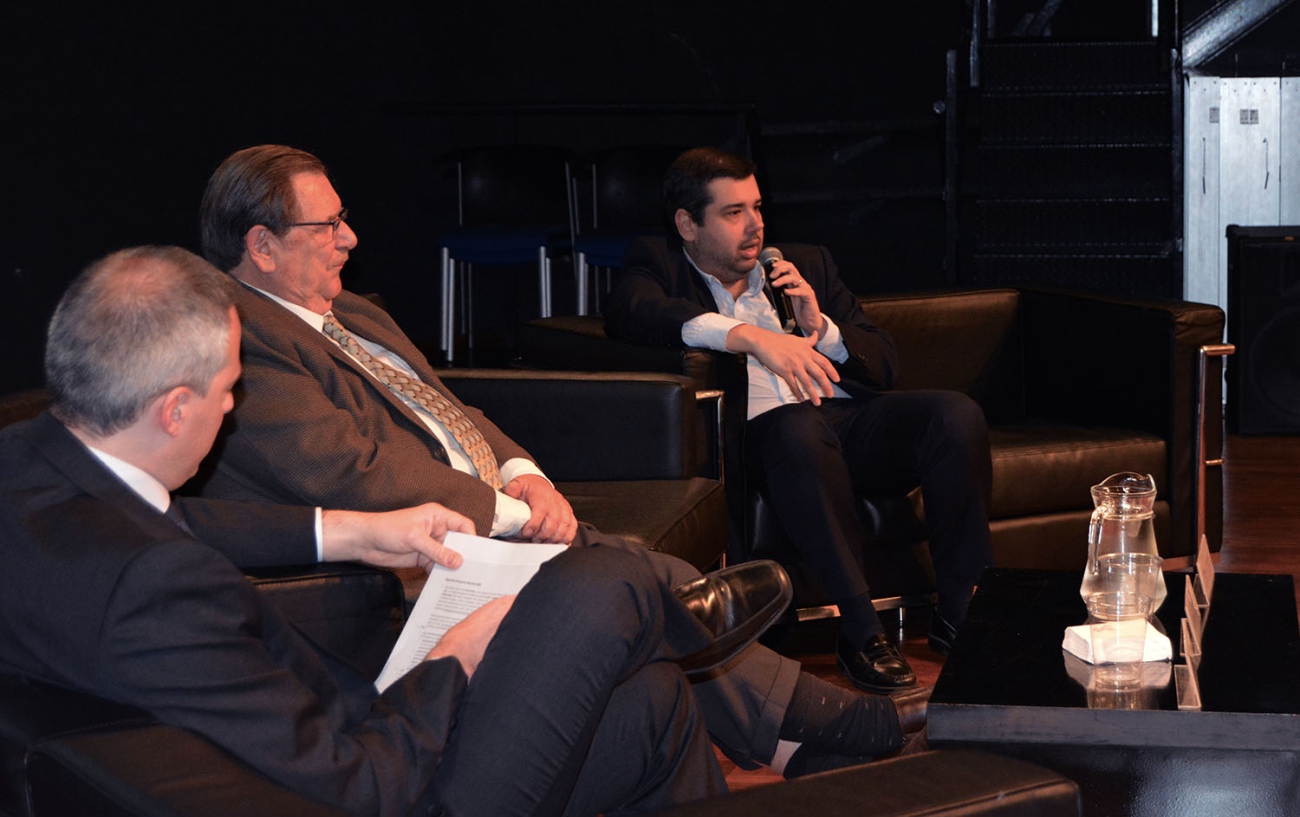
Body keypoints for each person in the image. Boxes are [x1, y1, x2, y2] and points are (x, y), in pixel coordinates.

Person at [192, 144, 928, 777]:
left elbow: (453, 409)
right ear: (262, 245)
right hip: (420, 559)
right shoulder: (243, 336)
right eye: (328, 226)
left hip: (485, 516)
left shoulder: (352, 311)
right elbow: (349, 474)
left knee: (657, 601)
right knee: (653, 585)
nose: (350, 238)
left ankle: (800, 750)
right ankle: (835, 727)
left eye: (343, 218)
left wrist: (526, 474)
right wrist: (510, 513)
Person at [0, 244, 807, 816]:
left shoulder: (32, 468)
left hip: (313, 741)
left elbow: (177, 517)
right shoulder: (156, 589)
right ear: (175, 408)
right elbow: (363, 784)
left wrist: (351, 532)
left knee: (658, 704)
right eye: (226, 391)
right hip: (390, 781)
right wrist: (458, 653)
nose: (233, 406)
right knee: (606, 579)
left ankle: (665, 640)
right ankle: (676, 629)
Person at [603, 147, 995, 693]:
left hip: (839, 419)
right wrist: (747, 336)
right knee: (797, 427)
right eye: (733, 212)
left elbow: (884, 365)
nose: (755, 226)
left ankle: (960, 614)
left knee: (953, 415)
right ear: (688, 225)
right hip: (764, 437)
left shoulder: (803, 265)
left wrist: (823, 328)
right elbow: (634, 311)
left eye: (757, 207)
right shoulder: (658, 263)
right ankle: (861, 632)